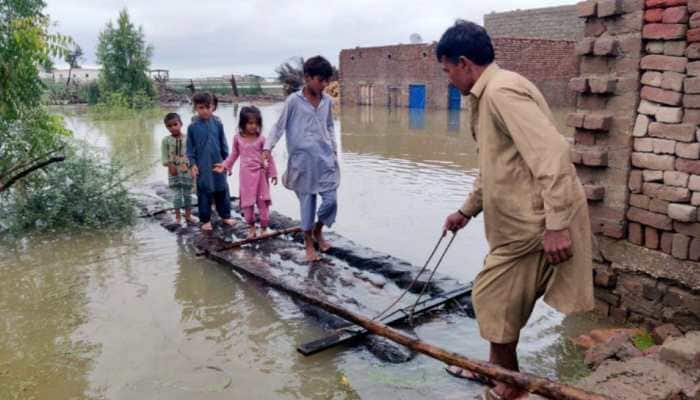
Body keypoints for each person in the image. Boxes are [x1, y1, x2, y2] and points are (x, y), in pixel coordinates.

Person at [437, 20, 594, 400]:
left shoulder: (501, 92)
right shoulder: (491, 91)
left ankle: (508, 386)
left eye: (446, 70)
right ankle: (500, 374)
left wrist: (556, 225)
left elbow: (552, 154)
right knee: (501, 303)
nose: (448, 79)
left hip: (532, 223)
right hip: (519, 223)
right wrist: (466, 210)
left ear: (463, 63)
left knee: (491, 296)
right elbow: (496, 166)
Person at [264, 56, 338, 262]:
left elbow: (330, 126)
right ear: (307, 78)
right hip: (302, 162)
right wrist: (267, 148)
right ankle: (308, 243)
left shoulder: (326, 101)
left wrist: (334, 148)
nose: (323, 85)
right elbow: (279, 126)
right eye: (320, 80)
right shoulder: (293, 101)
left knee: (330, 201)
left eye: (326, 81)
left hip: (325, 159)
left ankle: (318, 230)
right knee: (308, 203)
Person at [216, 106, 278, 239]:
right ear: (243, 123)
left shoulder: (262, 139)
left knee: (263, 205)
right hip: (246, 177)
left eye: (256, 123)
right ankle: (251, 227)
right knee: (247, 206)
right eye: (250, 123)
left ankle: (264, 228)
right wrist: (225, 165)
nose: (253, 126)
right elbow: (233, 154)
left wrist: (273, 173)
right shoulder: (237, 138)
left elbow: (269, 157)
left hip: (261, 175)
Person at [187, 92, 235, 231]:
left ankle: (225, 216)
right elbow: (190, 149)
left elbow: (224, 145)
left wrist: (228, 163)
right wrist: (193, 164)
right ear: (196, 108)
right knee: (204, 192)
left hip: (218, 164)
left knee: (222, 189)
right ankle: (205, 220)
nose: (205, 111)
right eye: (201, 108)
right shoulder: (192, 127)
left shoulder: (218, 124)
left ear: (213, 107)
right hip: (202, 165)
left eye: (208, 107)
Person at [161, 112, 196, 225]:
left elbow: (192, 154)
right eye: (169, 126)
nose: (173, 128)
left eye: (175, 124)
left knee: (187, 194)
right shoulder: (166, 140)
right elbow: (164, 156)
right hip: (174, 172)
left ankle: (188, 216)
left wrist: (193, 168)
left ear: (181, 124)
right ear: (166, 127)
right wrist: (170, 165)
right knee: (176, 195)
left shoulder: (188, 138)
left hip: (187, 170)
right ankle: (177, 217)